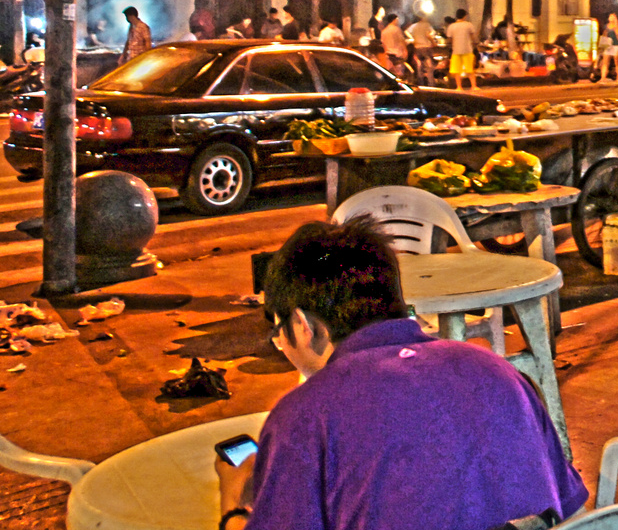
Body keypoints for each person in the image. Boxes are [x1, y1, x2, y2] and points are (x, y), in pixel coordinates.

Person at [215, 218, 587, 530]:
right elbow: (572, 511)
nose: (281, 344)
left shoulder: (304, 416)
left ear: (302, 324)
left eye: (278, 333)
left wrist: (232, 504)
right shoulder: (499, 372)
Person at [445, 9, 479, 90]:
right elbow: (473, 37)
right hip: (467, 49)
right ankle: (474, 86)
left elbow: (449, 39)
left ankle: (459, 87)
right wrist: (475, 43)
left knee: (457, 70)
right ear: (465, 16)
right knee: (470, 69)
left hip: (456, 50)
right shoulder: (469, 25)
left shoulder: (451, 26)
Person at [407, 14, 437, 85]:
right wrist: (433, 42)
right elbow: (429, 34)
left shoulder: (414, 26)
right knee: (429, 66)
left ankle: (421, 83)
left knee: (419, 65)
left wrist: (412, 38)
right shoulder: (426, 25)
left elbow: (406, 31)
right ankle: (431, 83)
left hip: (417, 47)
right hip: (426, 47)